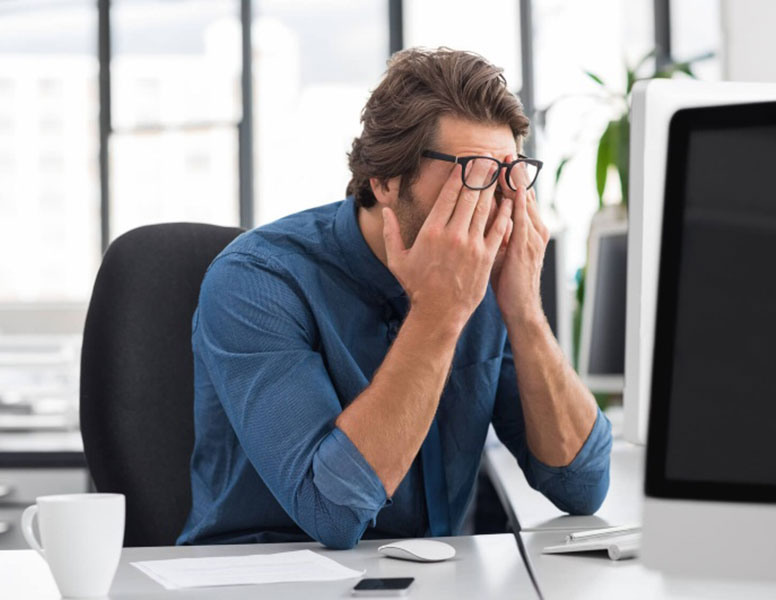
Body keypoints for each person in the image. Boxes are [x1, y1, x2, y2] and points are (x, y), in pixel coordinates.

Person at [178, 47, 612, 549]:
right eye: (473, 173)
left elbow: (582, 486)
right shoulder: (256, 280)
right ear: (384, 180)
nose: (494, 205)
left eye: (508, 176)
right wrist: (439, 312)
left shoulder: (489, 278)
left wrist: (524, 311)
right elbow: (332, 514)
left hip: (435, 578)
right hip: (268, 578)